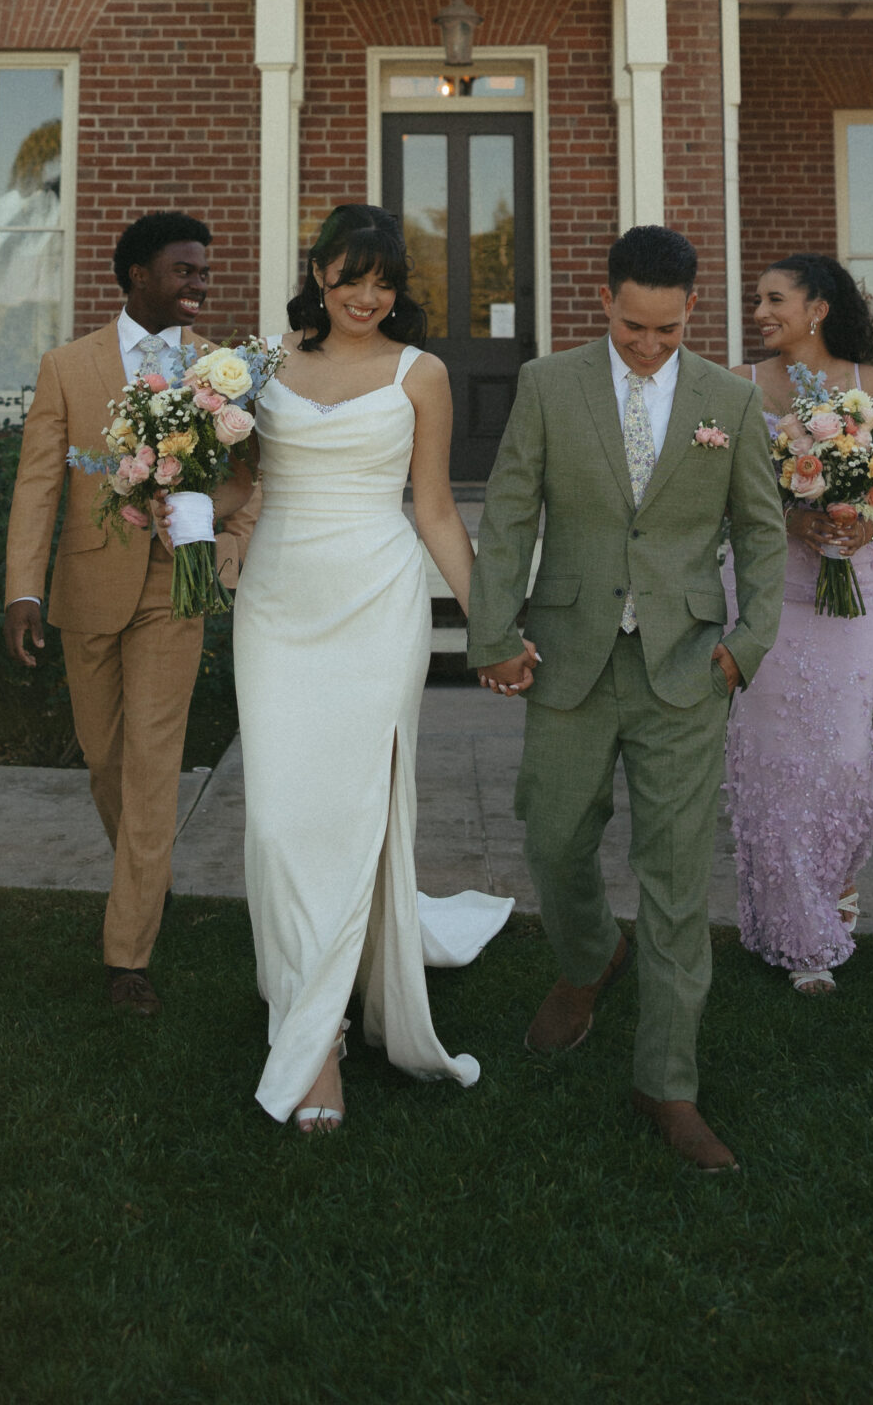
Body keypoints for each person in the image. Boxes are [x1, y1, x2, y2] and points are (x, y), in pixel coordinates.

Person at [469, 225, 787, 1174]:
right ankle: (585, 960)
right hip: (568, 653)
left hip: (688, 669)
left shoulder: (726, 399)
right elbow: (510, 511)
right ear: (603, 300)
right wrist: (492, 632)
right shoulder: (547, 384)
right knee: (552, 834)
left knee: (676, 879)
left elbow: (761, 536)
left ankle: (667, 1082)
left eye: (664, 327)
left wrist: (744, 648)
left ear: (691, 308)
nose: (647, 344)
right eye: (631, 325)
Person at [235, 204, 497, 1134]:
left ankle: (321, 1043)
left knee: (354, 812)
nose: (365, 296)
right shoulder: (260, 367)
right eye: (349, 278)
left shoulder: (419, 374)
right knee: (273, 819)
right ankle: (306, 1001)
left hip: (377, 599)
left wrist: (489, 622)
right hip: (276, 601)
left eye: (382, 281)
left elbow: (432, 511)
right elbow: (234, 487)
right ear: (316, 273)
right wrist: (174, 495)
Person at [4, 209, 255, 1015]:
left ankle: (127, 957)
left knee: (151, 764)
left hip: (172, 588)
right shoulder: (66, 367)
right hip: (88, 587)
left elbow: (254, 472)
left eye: (204, 272)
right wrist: (24, 589)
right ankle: (145, 879)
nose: (199, 284)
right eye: (185, 270)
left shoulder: (221, 370)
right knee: (104, 759)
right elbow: (39, 483)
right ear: (138, 276)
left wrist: (219, 531)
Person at [724, 256, 873, 996]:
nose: (759, 311)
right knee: (771, 760)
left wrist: (862, 522)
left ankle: (837, 883)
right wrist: (793, 516)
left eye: (773, 299)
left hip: (848, 591)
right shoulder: (737, 385)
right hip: (766, 590)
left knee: (842, 753)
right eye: (756, 300)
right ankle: (798, 931)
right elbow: (727, 494)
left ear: (817, 308)